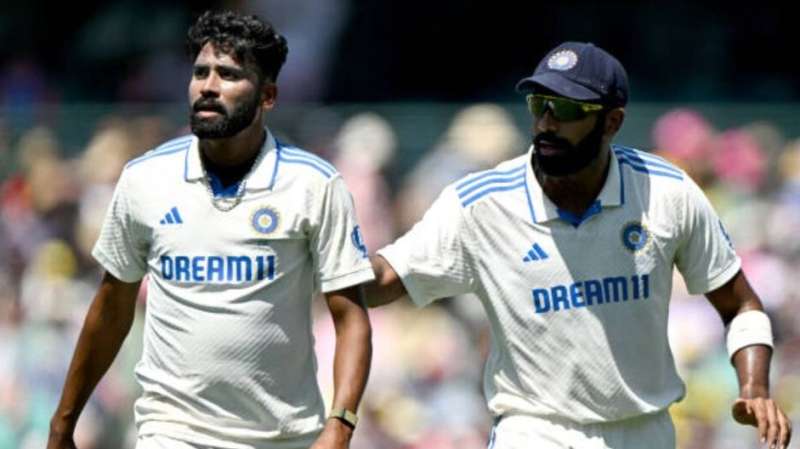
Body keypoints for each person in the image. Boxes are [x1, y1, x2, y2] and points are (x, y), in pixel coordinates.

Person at [367, 42, 792, 449]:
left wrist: (754, 387)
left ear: (612, 122)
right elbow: (385, 276)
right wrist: (332, 265)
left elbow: (741, 305)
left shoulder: (667, 192)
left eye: (568, 109)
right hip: (534, 431)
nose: (547, 123)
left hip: (644, 430)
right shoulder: (481, 203)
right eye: (539, 104)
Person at [48, 10, 373, 449]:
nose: (208, 86)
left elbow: (351, 318)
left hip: (283, 437)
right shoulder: (146, 178)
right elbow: (111, 308)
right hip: (171, 433)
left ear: (268, 96)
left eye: (229, 75)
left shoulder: (314, 185)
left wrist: (340, 423)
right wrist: (63, 422)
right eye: (201, 72)